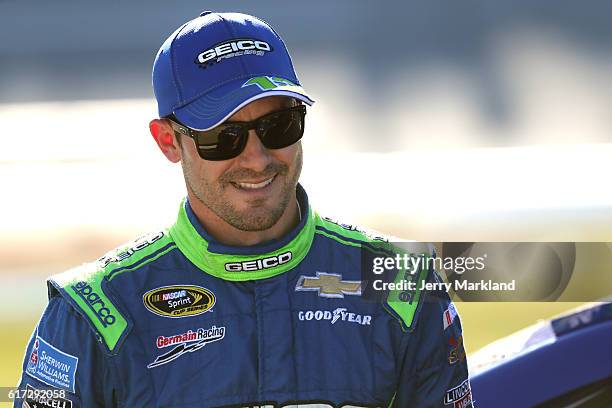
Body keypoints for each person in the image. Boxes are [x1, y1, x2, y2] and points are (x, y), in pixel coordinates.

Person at [14, 11, 472, 408]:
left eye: (279, 125)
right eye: (223, 137)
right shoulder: (94, 314)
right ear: (168, 142)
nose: (256, 158)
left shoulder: (402, 284)